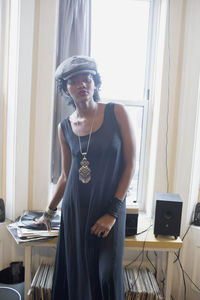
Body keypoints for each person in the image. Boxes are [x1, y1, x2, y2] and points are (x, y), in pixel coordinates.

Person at [37, 55, 136, 300]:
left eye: (87, 79)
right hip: (75, 212)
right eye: (74, 81)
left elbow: (131, 164)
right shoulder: (64, 127)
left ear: (95, 83)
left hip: (109, 209)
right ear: (66, 89)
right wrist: (48, 212)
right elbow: (65, 176)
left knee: (106, 277)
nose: (82, 84)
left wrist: (113, 211)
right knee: (78, 278)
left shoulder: (117, 113)